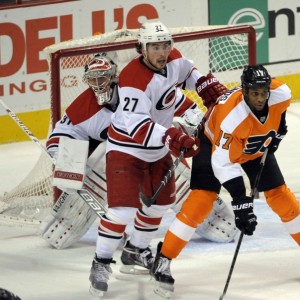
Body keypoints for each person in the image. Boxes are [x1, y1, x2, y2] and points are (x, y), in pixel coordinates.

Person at [88, 20, 228, 297]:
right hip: (126, 149)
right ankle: (100, 263)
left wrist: (209, 89)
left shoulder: (173, 59)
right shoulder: (133, 81)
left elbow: (189, 72)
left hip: (157, 150)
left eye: (165, 45)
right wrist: (175, 138)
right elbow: (138, 126)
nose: (161, 51)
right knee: (123, 211)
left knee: (159, 205)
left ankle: (136, 251)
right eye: (155, 46)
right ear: (142, 48)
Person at [40, 52, 235, 250]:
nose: (99, 84)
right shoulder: (82, 108)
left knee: (170, 155)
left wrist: (192, 120)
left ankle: (202, 211)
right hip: (117, 164)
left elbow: (187, 109)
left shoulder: (142, 87)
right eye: (93, 79)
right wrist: (61, 155)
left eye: (103, 77)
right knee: (102, 155)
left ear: (114, 76)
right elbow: (62, 134)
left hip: (156, 152)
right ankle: (71, 220)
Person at [150, 64, 300, 298]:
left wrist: (278, 131)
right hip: (212, 143)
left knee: (281, 197)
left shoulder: (280, 94)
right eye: (254, 93)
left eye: (264, 92)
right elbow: (223, 163)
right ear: (244, 91)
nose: (260, 98)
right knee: (201, 200)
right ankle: (164, 257)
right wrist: (241, 203)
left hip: (254, 146)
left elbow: (279, 113)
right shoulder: (233, 118)